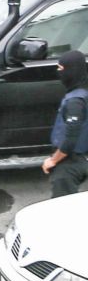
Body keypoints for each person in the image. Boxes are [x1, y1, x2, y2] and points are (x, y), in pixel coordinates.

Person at [42, 50, 88, 198]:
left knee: (62, 209)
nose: (58, 72)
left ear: (71, 71)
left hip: (71, 162)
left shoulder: (75, 102)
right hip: (78, 158)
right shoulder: (81, 94)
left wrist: (53, 160)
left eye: (61, 69)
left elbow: (70, 138)